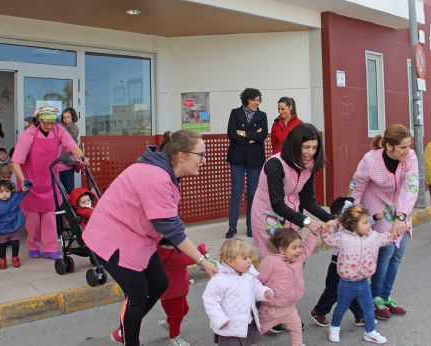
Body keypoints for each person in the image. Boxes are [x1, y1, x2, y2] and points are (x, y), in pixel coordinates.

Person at [82, 130, 218, 346]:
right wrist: (201, 260)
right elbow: (171, 228)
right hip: (112, 238)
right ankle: (129, 338)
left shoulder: (166, 172)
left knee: (159, 282)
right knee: (137, 294)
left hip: (135, 235)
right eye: (201, 154)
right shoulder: (156, 177)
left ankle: (124, 330)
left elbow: (167, 221)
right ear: (182, 155)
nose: (204, 160)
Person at [349, 124, 418, 320]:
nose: (408, 150)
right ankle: (374, 299)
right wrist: (352, 211)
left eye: (409, 146)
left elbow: (411, 186)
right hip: (377, 204)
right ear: (389, 146)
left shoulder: (410, 157)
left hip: (401, 206)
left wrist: (402, 216)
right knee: (386, 251)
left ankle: (385, 297)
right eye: (403, 147)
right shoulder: (370, 160)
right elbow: (357, 185)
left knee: (398, 253)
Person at [11, 104, 85, 260]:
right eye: (46, 123)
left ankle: (50, 248)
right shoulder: (29, 134)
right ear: (39, 120)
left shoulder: (59, 130)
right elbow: (16, 162)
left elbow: (72, 146)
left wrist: (82, 157)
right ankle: (33, 245)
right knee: (33, 219)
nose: (50, 126)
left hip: (49, 180)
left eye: (52, 122)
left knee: (49, 216)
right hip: (30, 181)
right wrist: (23, 180)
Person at [251, 123, 335, 258]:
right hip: (267, 215)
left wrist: (332, 218)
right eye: (306, 147)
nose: (311, 152)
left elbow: (307, 200)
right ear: (295, 145)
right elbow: (277, 204)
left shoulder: (309, 165)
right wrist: (307, 221)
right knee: (277, 261)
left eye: (314, 148)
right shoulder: (275, 164)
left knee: (294, 258)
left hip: (291, 215)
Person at [321, 205, 397, 344]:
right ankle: (335, 327)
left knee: (368, 309)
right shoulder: (342, 237)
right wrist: (327, 227)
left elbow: (387, 237)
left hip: (363, 282)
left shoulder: (373, 237)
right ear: (353, 225)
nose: (369, 225)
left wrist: (397, 229)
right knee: (341, 307)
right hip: (346, 283)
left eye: (368, 222)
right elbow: (328, 240)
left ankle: (370, 332)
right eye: (365, 222)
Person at [202, 238, 274, 346]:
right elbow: (210, 300)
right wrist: (219, 319)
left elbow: (256, 288)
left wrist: (264, 292)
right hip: (229, 326)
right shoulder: (219, 280)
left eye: (250, 257)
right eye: (244, 258)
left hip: (247, 321)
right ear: (230, 261)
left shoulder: (248, 275)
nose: (249, 260)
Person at [257, 228, 317, 346]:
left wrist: (314, 234)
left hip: (290, 307)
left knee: (296, 327)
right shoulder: (270, 261)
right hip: (271, 310)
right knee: (257, 331)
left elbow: (307, 248)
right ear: (281, 250)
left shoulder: (298, 258)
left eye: (299, 246)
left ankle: (297, 344)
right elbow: (258, 280)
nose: (298, 251)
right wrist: (262, 293)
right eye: (294, 248)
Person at [310, 197, 365, 327]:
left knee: (350, 289)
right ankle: (318, 311)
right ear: (339, 215)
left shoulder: (354, 223)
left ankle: (360, 315)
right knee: (333, 290)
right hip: (338, 262)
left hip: (351, 262)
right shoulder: (341, 224)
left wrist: (375, 217)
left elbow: (365, 222)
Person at [225, 88, 268, 239]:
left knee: (252, 194)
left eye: (259, 100)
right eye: (255, 99)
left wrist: (243, 133)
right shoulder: (235, 113)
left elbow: (262, 136)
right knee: (236, 192)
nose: (257, 102)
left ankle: (251, 226)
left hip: (255, 159)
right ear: (247, 100)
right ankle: (232, 226)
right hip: (237, 158)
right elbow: (231, 134)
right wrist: (252, 136)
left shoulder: (262, 115)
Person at [157, 239, 208, 346]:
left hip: (177, 292)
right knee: (177, 315)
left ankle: (169, 323)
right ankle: (174, 337)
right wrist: (201, 249)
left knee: (184, 309)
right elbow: (188, 258)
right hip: (172, 295)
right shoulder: (170, 256)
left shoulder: (169, 251)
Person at [0, 179, 30, 270]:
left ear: (11, 192)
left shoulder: (14, 197)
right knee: (2, 246)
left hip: (14, 227)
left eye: (7, 191)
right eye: (1, 192)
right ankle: (2, 260)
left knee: (15, 243)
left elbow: (22, 193)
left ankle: (15, 258)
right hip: (1, 230)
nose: (5, 194)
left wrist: (25, 187)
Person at [59, 107, 80, 194]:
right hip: (59, 166)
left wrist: (62, 137)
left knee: (65, 155)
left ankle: (72, 163)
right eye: (64, 118)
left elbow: (71, 136)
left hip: (70, 144)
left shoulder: (73, 126)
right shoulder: (62, 125)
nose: (66, 119)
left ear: (72, 118)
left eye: (68, 117)